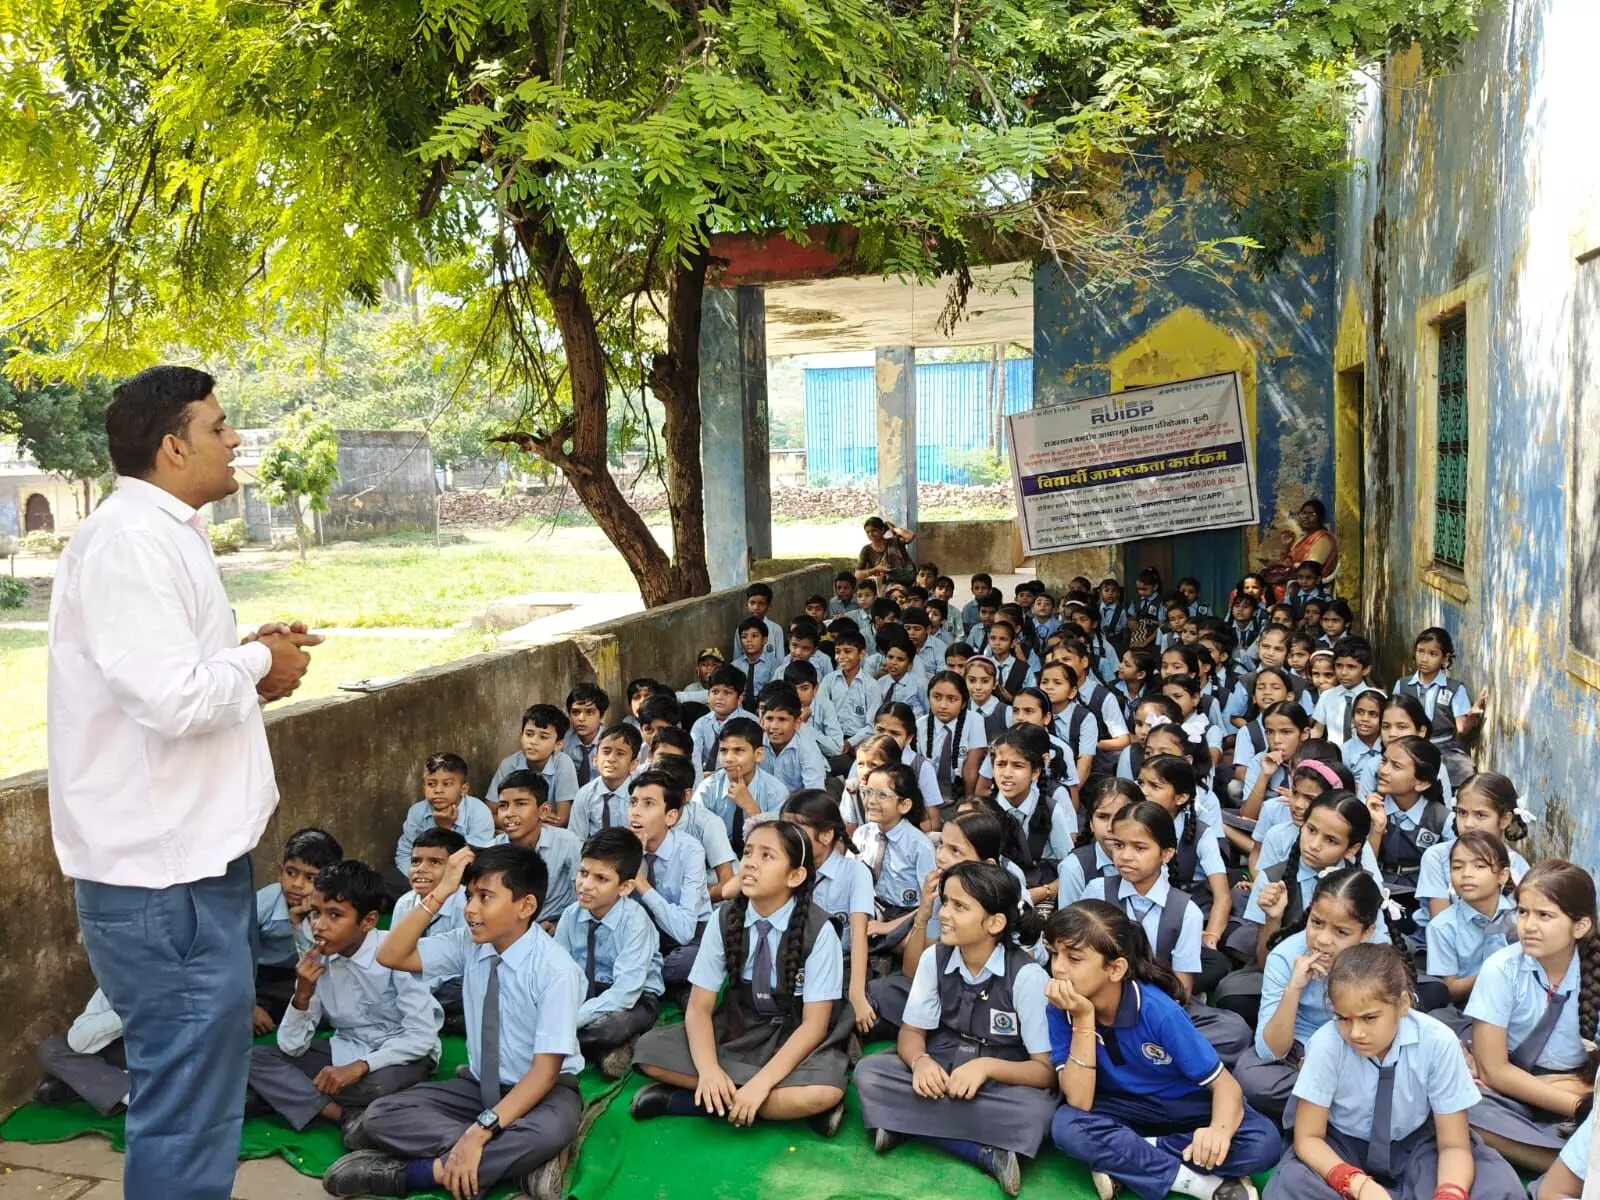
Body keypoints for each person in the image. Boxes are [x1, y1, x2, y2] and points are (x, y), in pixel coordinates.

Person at [47, 365, 318, 1199]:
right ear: (172, 446)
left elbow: (175, 676)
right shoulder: (131, 541)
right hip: (162, 881)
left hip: (195, 867)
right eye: (219, 425)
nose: (235, 440)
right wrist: (256, 661)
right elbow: (171, 699)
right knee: (186, 1096)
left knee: (203, 1085)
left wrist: (251, 662)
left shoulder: (166, 532)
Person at [328, 846, 583, 1200]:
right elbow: (390, 955)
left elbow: (544, 1074)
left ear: (525, 906)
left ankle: (415, 1174)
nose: (470, 910)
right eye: (468, 896)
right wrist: (440, 891)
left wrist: (479, 1132)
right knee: (381, 1114)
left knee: (550, 1130)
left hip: (544, 1093)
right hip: (478, 1086)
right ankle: (517, 1165)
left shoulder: (557, 972)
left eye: (485, 897)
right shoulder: (470, 945)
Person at [1046, 901, 1283, 1200]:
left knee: (1264, 1142)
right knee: (1067, 1126)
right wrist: (1082, 1019)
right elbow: (1079, 1101)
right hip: (1123, 1108)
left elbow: (1227, 1087)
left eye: (1073, 958)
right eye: (1054, 953)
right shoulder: (1061, 1008)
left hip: (1188, 1107)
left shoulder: (1158, 1010)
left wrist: (1218, 1134)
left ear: (1116, 968)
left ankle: (1125, 1156)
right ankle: (1204, 1186)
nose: (1058, 967)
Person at [630, 820, 853, 1135]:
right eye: (747, 852)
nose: (749, 862)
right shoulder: (725, 918)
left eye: (766, 856)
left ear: (795, 876)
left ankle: (688, 1102)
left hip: (795, 1031)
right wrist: (708, 1072)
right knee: (649, 1051)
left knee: (823, 1090)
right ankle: (762, 1103)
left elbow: (814, 1026)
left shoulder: (819, 930)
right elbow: (698, 1008)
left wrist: (761, 1083)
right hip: (740, 1026)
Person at [1262, 942, 1523, 1200]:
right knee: (1293, 1184)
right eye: (1343, 1018)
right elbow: (1308, 1138)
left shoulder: (1437, 1041)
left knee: (1496, 1184)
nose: (1356, 1033)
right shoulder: (1326, 1043)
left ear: (1403, 1004)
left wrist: (1450, 1193)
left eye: (1369, 1018)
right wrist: (1354, 1183)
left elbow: (1453, 1144)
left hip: (1415, 1146)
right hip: (1343, 1145)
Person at [854, 862, 1055, 1197]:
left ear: (995, 922)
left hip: (1001, 1076)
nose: (944, 913)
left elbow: (1045, 1071)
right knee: (869, 1074)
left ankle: (910, 1128)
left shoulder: (1027, 976)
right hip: (943, 1058)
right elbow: (911, 1033)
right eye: (946, 901)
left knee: (1037, 1112)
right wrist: (920, 1063)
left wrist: (986, 1067)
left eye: (959, 907)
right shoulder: (935, 958)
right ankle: (987, 1149)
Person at [246, 861, 441, 1144]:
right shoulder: (319, 958)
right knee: (256, 1058)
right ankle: (342, 1115)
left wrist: (361, 1066)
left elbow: (421, 1037)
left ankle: (280, 1096)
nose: (318, 926)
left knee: (374, 1086)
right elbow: (291, 1045)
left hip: (400, 1055)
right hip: (345, 1048)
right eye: (315, 913)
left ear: (369, 921)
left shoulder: (396, 954)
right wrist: (302, 995)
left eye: (334, 915)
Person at [1464, 861, 1599, 1173]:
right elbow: (1494, 1070)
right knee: (1465, 1106)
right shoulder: (1501, 969)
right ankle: (1573, 1167)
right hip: (1509, 1089)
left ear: (1580, 926)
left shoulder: (1592, 969)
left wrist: (1582, 1092)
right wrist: (1581, 1108)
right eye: (1523, 912)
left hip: (1575, 1082)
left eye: (1545, 915)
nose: (1528, 925)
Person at [553, 828, 665, 1079]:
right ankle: (601, 1050)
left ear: (625, 887)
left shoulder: (636, 922)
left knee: (610, 1028)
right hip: (586, 992)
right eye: (583, 873)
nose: (586, 885)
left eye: (601, 879)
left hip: (635, 997)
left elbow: (625, 992)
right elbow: (557, 972)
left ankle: (612, 1043)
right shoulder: (571, 915)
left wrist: (570, 1019)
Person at [782, 791, 877, 1035]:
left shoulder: (855, 872)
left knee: (847, 1005)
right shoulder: (786, 869)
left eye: (796, 830)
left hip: (841, 963)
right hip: (793, 959)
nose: (787, 838)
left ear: (826, 836)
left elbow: (858, 934)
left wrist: (856, 993)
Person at [254, 828, 345, 1031]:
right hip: (258, 977)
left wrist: (297, 923)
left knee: (333, 1012)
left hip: (304, 975)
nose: (296, 884)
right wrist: (247, 1005)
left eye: (310, 878)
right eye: (291, 873)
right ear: (280, 872)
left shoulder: (335, 911)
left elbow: (323, 966)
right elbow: (235, 956)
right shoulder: (263, 903)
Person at [628, 769, 712, 983]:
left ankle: (645, 979)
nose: (635, 812)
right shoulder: (623, 846)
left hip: (690, 933)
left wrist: (640, 882)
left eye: (648, 804)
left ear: (671, 816)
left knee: (689, 960)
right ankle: (661, 983)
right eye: (633, 802)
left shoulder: (690, 850)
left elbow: (684, 931)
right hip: (643, 931)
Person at [394, 828, 469, 1033]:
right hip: (416, 980)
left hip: (450, 981)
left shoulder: (466, 904)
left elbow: (461, 966)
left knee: (467, 988)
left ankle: (425, 1013)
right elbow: (393, 955)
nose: (421, 869)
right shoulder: (404, 903)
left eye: (435, 862)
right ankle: (444, 1020)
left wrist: (418, 991)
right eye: (416, 861)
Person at [1393, 627, 1486, 791]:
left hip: (1444, 749)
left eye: (1432, 654)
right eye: (1420, 651)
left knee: (1464, 770)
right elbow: (1392, 716)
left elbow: (1462, 728)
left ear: (1445, 659)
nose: (1424, 658)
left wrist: (1471, 715)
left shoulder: (1454, 689)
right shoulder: (1402, 685)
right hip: (1408, 745)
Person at [494, 770, 582, 930]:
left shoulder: (567, 843)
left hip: (557, 927)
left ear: (544, 811)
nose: (509, 813)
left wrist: (561, 926)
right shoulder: (493, 851)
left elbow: (584, 894)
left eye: (520, 804)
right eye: (503, 806)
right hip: (508, 931)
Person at [394, 753, 496, 878]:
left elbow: (475, 858)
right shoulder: (417, 812)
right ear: (423, 788)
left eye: (447, 784)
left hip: (464, 877)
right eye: (431, 784)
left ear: (464, 788)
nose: (438, 790)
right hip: (424, 876)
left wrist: (445, 829)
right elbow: (404, 853)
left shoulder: (479, 812)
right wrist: (417, 879)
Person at [487, 705, 579, 820]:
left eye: (543, 737)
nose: (533, 742)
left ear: (558, 744)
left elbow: (562, 819)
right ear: (521, 735)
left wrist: (517, 822)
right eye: (529, 734)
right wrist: (533, 820)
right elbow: (489, 813)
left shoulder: (563, 763)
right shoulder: (509, 764)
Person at [566, 723, 643, 838]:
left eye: (620, 754)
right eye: (606, 752)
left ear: (634, 763)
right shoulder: (585, 794)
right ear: (595, 759)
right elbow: (576, 839)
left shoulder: (641, 795)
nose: (611, 759)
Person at [562, 683, 611, 788]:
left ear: (602, 716)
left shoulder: (611, 742)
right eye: (575, 712)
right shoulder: (563, 742)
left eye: (589, 712)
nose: (581, 718)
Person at [856, 515, 917, 584]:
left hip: (905, 581)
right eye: (868, 532)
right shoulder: (867, 550)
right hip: (885, 585)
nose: (871, 534)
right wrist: (875, 569)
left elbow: (911, 536)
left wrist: (893, 529)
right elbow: (857, 574)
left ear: (882, 530)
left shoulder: (895, 542)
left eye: (874, 530)